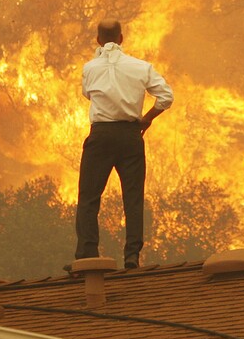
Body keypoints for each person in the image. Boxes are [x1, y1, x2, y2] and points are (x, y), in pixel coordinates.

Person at [74, 18, 173, 269]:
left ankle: (87, 255)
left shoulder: (90, 68)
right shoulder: (141, 67)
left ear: (98, 40)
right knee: (133, 198)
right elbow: (166, 97)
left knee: (89, 197)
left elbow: (88, 94)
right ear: (121, 38)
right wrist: (147, 119)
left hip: (101, 135)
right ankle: (132, 256)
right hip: (130, 135)